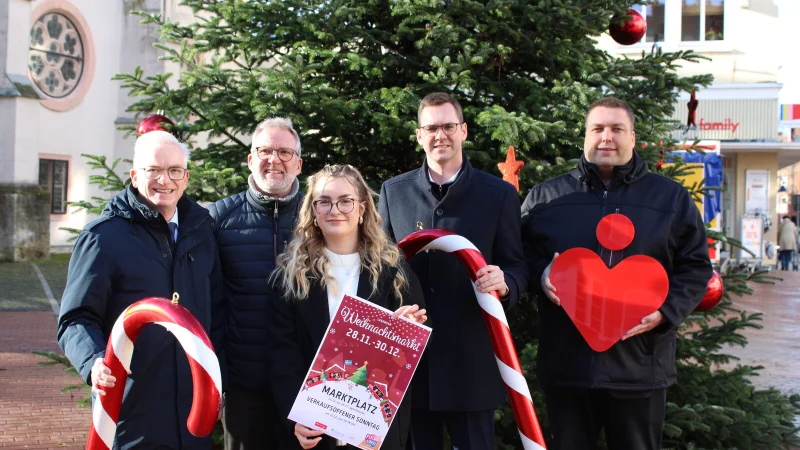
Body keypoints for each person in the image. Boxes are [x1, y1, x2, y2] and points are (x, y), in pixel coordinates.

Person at [521, 97, 712, 450]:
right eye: (598, 129)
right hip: (568, 366)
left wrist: (666, 312)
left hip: (639, 366)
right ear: (585, 136)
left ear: (633, 137)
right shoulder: (546, 197)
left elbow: (696, 266)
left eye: (616, 129)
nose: (606, 137)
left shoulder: (669, 199)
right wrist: (539, 274)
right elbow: (519, 258)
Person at [378, 92, 527, 450]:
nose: (439, 135)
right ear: (419, 135)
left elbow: (519, 264)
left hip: (471, 361)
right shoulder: (393, 192)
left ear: (463, 131)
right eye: (431, 127)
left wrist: (506, 283)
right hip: (412, 363)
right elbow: (380, 269)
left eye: (448, 126)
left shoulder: (498, 195)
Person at [57, 130, 224, 449]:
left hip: (193, 412)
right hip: (132, 410)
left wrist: (218, 384)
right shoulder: (103, 237)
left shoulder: (203, 233)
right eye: (154, 170)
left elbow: (217, 315)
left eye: (175, 170)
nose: (165, 180)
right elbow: (76, 318)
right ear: (135, 175)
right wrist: (93, 360)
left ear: (186, 178)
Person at [266, 164, 427, 450]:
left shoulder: (394, 272)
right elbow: (281, 357)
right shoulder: (291, 278)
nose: (334, 209)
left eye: (345, 201)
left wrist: (407, 331)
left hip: (377, 435)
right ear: (313, 212)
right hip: (314, 434)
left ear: (362, 208)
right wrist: (295, 418)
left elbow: (413, 355)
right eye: (324, 201)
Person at [207, 117, 304, 449]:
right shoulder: (219, 218)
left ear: (299, 163)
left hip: (305, 384)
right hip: (243, 385)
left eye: (284, 152)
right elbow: (206, 299)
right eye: (264, 150)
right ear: (250, 159)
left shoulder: (320, 217)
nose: (274, 159)